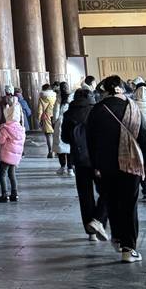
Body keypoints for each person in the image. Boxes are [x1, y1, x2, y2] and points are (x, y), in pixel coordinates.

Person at [86, 75, 146, 263]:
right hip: (131, 164)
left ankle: (117, 238)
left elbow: (90, 141)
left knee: (112, 202)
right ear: (121, 88)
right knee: (129, 205)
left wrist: (95, 165)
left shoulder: (97, 109)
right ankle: (128, 249)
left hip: (105, 165)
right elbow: (144, 137)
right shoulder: (133, 108)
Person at [62, 87, 108, 242]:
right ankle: (98, 220)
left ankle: (91, 233)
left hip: (80, 159)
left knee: (85, 195)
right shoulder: (97, 111)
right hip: (98, 159)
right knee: (107, 190)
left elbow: (65, 138)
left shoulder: (69, 113)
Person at [0, 101, 25, 203]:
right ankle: (14, 194)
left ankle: (4, 195)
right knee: (12, 174)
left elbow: (0, 140)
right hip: (15, 156)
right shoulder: (21, 129)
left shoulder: (6, 128)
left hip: (6, 155)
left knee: (2, 174)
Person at [53, 82, 74, 176]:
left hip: (60, 122)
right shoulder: (72, 97)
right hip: (70, 122)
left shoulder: (59, 98)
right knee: (69, 146)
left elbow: (56, 112)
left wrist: (55, 121)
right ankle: (70, 169)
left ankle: (62, 167)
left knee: (60, 146)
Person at [37, 83, 56, 159]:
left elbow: (40, 110)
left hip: (46, 116)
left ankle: (50, 151)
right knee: (56, 134)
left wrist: (39, 119)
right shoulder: (55, 96)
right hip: (55, 116)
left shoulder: (42, 97)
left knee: (49, 134)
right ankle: (57, 151)